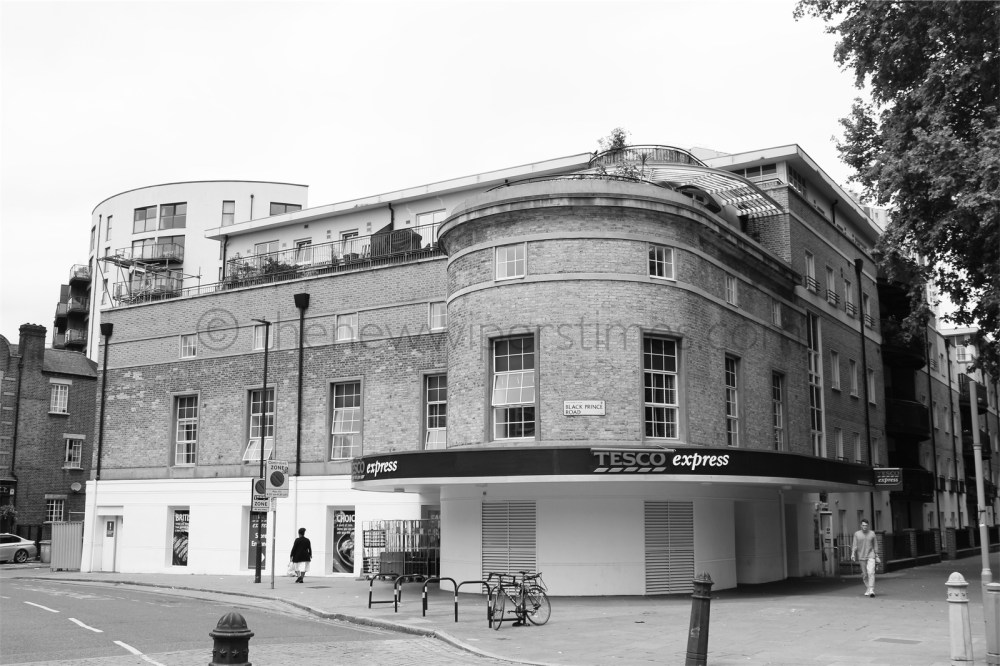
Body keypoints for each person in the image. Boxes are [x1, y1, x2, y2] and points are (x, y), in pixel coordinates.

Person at [851, 519, 880, 597]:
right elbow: (855, 545)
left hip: (871, 555)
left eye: (866, 525)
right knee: (865, 574)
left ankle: (871, 589)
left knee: (871, 572)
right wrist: (853, 554)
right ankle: (868, 588)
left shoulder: (872, 534)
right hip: (861, 556)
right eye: (863, 525)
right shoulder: (857, 534)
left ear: (868, 526)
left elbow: (875, 545)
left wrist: (876, 555)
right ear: (861, 525)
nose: (865, 527)